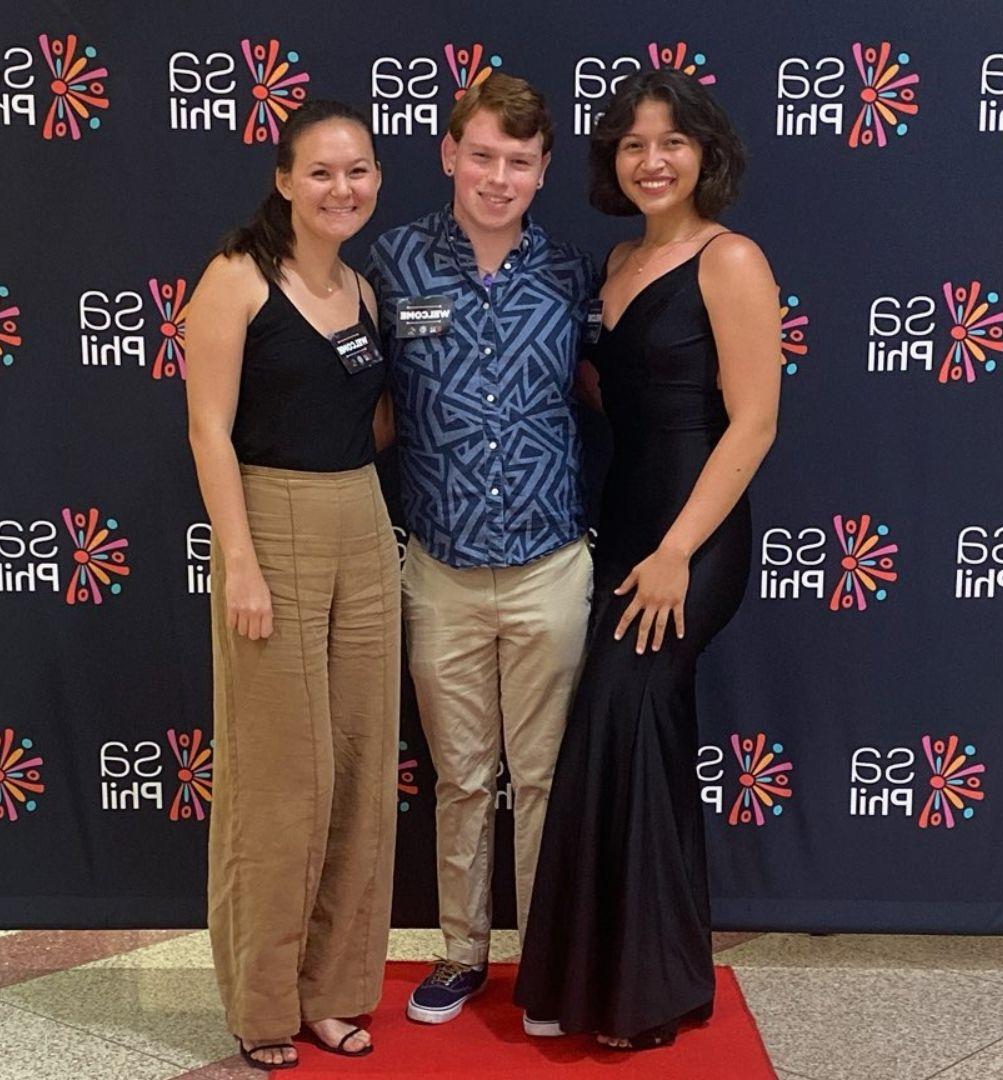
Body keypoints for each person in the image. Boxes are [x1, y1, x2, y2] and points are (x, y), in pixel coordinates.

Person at [513, 69, 782, 1050]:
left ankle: (645, 995)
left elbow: (753, 424)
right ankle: (607, 981)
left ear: (704, 152)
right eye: (632, 143)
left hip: (692, 536)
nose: (652, 159)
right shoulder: (616, 261)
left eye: (671, 141)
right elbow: (587, 392)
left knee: (631, 714)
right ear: (612, 161)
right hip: (621, 526)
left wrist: (676, 551)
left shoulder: (731, 260)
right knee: (635, 737)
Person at [363, 74, 599, 1034]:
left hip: (551, 561)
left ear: (543, 171)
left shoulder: (573, 273)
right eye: (483, 156)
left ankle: (544, 963)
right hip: (442, 565)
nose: (498, 178)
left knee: (543, 774)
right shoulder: (391, 263)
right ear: (450, 154)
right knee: (460, 774)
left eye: (520, 162)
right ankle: (462, 955)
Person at [184, 99, 398, 1072]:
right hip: (269, 518)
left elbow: (372, 422)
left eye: (357, 171)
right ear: (283, 178)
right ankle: (263, 1004)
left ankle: (335, 990)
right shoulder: (235, 278)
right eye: (320, 171)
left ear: (376, 181)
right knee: (280, 783)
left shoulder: (365, 289)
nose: (340, 187)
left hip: (362, 518)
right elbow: (207, 430)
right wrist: (240, 559)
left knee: (359, 772)